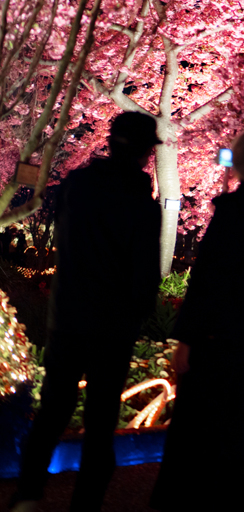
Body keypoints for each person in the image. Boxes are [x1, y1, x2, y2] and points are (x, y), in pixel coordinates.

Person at [10, 112, 162, 512]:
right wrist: (138, 312)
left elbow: (63, 235)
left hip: (68, 315)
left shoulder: (77, 187)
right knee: (100, 424)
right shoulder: (143, 209)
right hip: (112, 326)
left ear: (109, 143)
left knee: (52, 412)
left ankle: (27, 496)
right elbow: (144, 277)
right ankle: (85, 506)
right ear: (147, 154)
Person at [151, 128, 244, 511]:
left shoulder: (235, 211)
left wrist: (186, 336)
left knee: (198, 425)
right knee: (243, 430)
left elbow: (208, 278)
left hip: (219, 334)